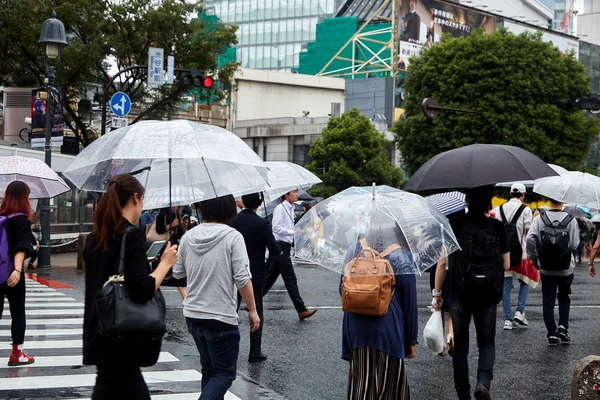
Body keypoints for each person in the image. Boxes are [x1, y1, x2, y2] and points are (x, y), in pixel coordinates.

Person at [83, 174, 179, 399]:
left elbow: (112, 276)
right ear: (135, 198)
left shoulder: (95, 236)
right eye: (143, 200)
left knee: (110, 387)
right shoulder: (132, 235)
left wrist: (146, 264)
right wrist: (164, 264)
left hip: (99, 330)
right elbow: (142, 289)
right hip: (121, 337)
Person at [172, 194, 260, 399]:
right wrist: (253, 309)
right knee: (224, 374)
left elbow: (178, 273)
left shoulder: (188, 237)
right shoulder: (232, 237)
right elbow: (243, 278)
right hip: (220, 316)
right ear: (229, 209)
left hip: (193, 314)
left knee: (209, 369)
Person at [433, 185, 509, 400]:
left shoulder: (454, 225)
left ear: (466, 201)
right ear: (488, 202)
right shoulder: (497, 227)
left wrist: (437, 294)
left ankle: (463, 395)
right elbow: (506, 263)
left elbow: (442, 263)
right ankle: (483, 383)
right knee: (487, 343)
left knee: (461, 347)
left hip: (459, 295)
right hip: (488, 294)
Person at [342, 235, 418, 399]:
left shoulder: (354, 250)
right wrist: (411, 340)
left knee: (361, 384)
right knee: (390, 386)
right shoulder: (400, 255)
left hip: (356, 326)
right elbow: (409, 300)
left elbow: (341, 289)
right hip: (388, 327)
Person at [230, 192, 281, 363]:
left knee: (230, 310)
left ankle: (228, 348)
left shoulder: (232, 221)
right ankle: (255, 352)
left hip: (232, 272)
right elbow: (274, 250)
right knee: (256, 311)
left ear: (242, 202)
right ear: (259, 203)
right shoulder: (262, 223)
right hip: (254, 273)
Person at [526, 198, 579, 346]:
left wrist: (533, 257)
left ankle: (551, 333)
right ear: (563, 201)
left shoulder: (540, 218)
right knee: (564, 297)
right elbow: (574, 244)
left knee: (548, 300)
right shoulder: (571, 220)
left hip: (546, 267)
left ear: (549, 200)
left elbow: (530, 240)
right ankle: (563, 327)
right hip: (566, 268)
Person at [263, 189, 317, 321]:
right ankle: (301, 310)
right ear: (286, 195)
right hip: (279, 245)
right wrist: (292, 232)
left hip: (284, 246)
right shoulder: (280, 208)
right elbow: (276, 228)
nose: (296, 195)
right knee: (290, 279)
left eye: (297, 192)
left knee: (269, 278)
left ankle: (251, 301)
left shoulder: (291, 208)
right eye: (293, 192)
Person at [0, 181, 36, 366]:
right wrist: (17, 269)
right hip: (12, 274)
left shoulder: (1, 217)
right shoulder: (22, 219)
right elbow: (20, 248)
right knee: (17, 313)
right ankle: (16, 354)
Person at [493, 183, 534, 330]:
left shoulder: (499, 209)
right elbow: (528, 233)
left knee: (506, 285)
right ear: (523, 195)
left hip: (503, 253)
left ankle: (508, 320)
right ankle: (519, 311)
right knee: (525, 281)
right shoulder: (526, 210)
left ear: (510, 194)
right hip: (521, 253)